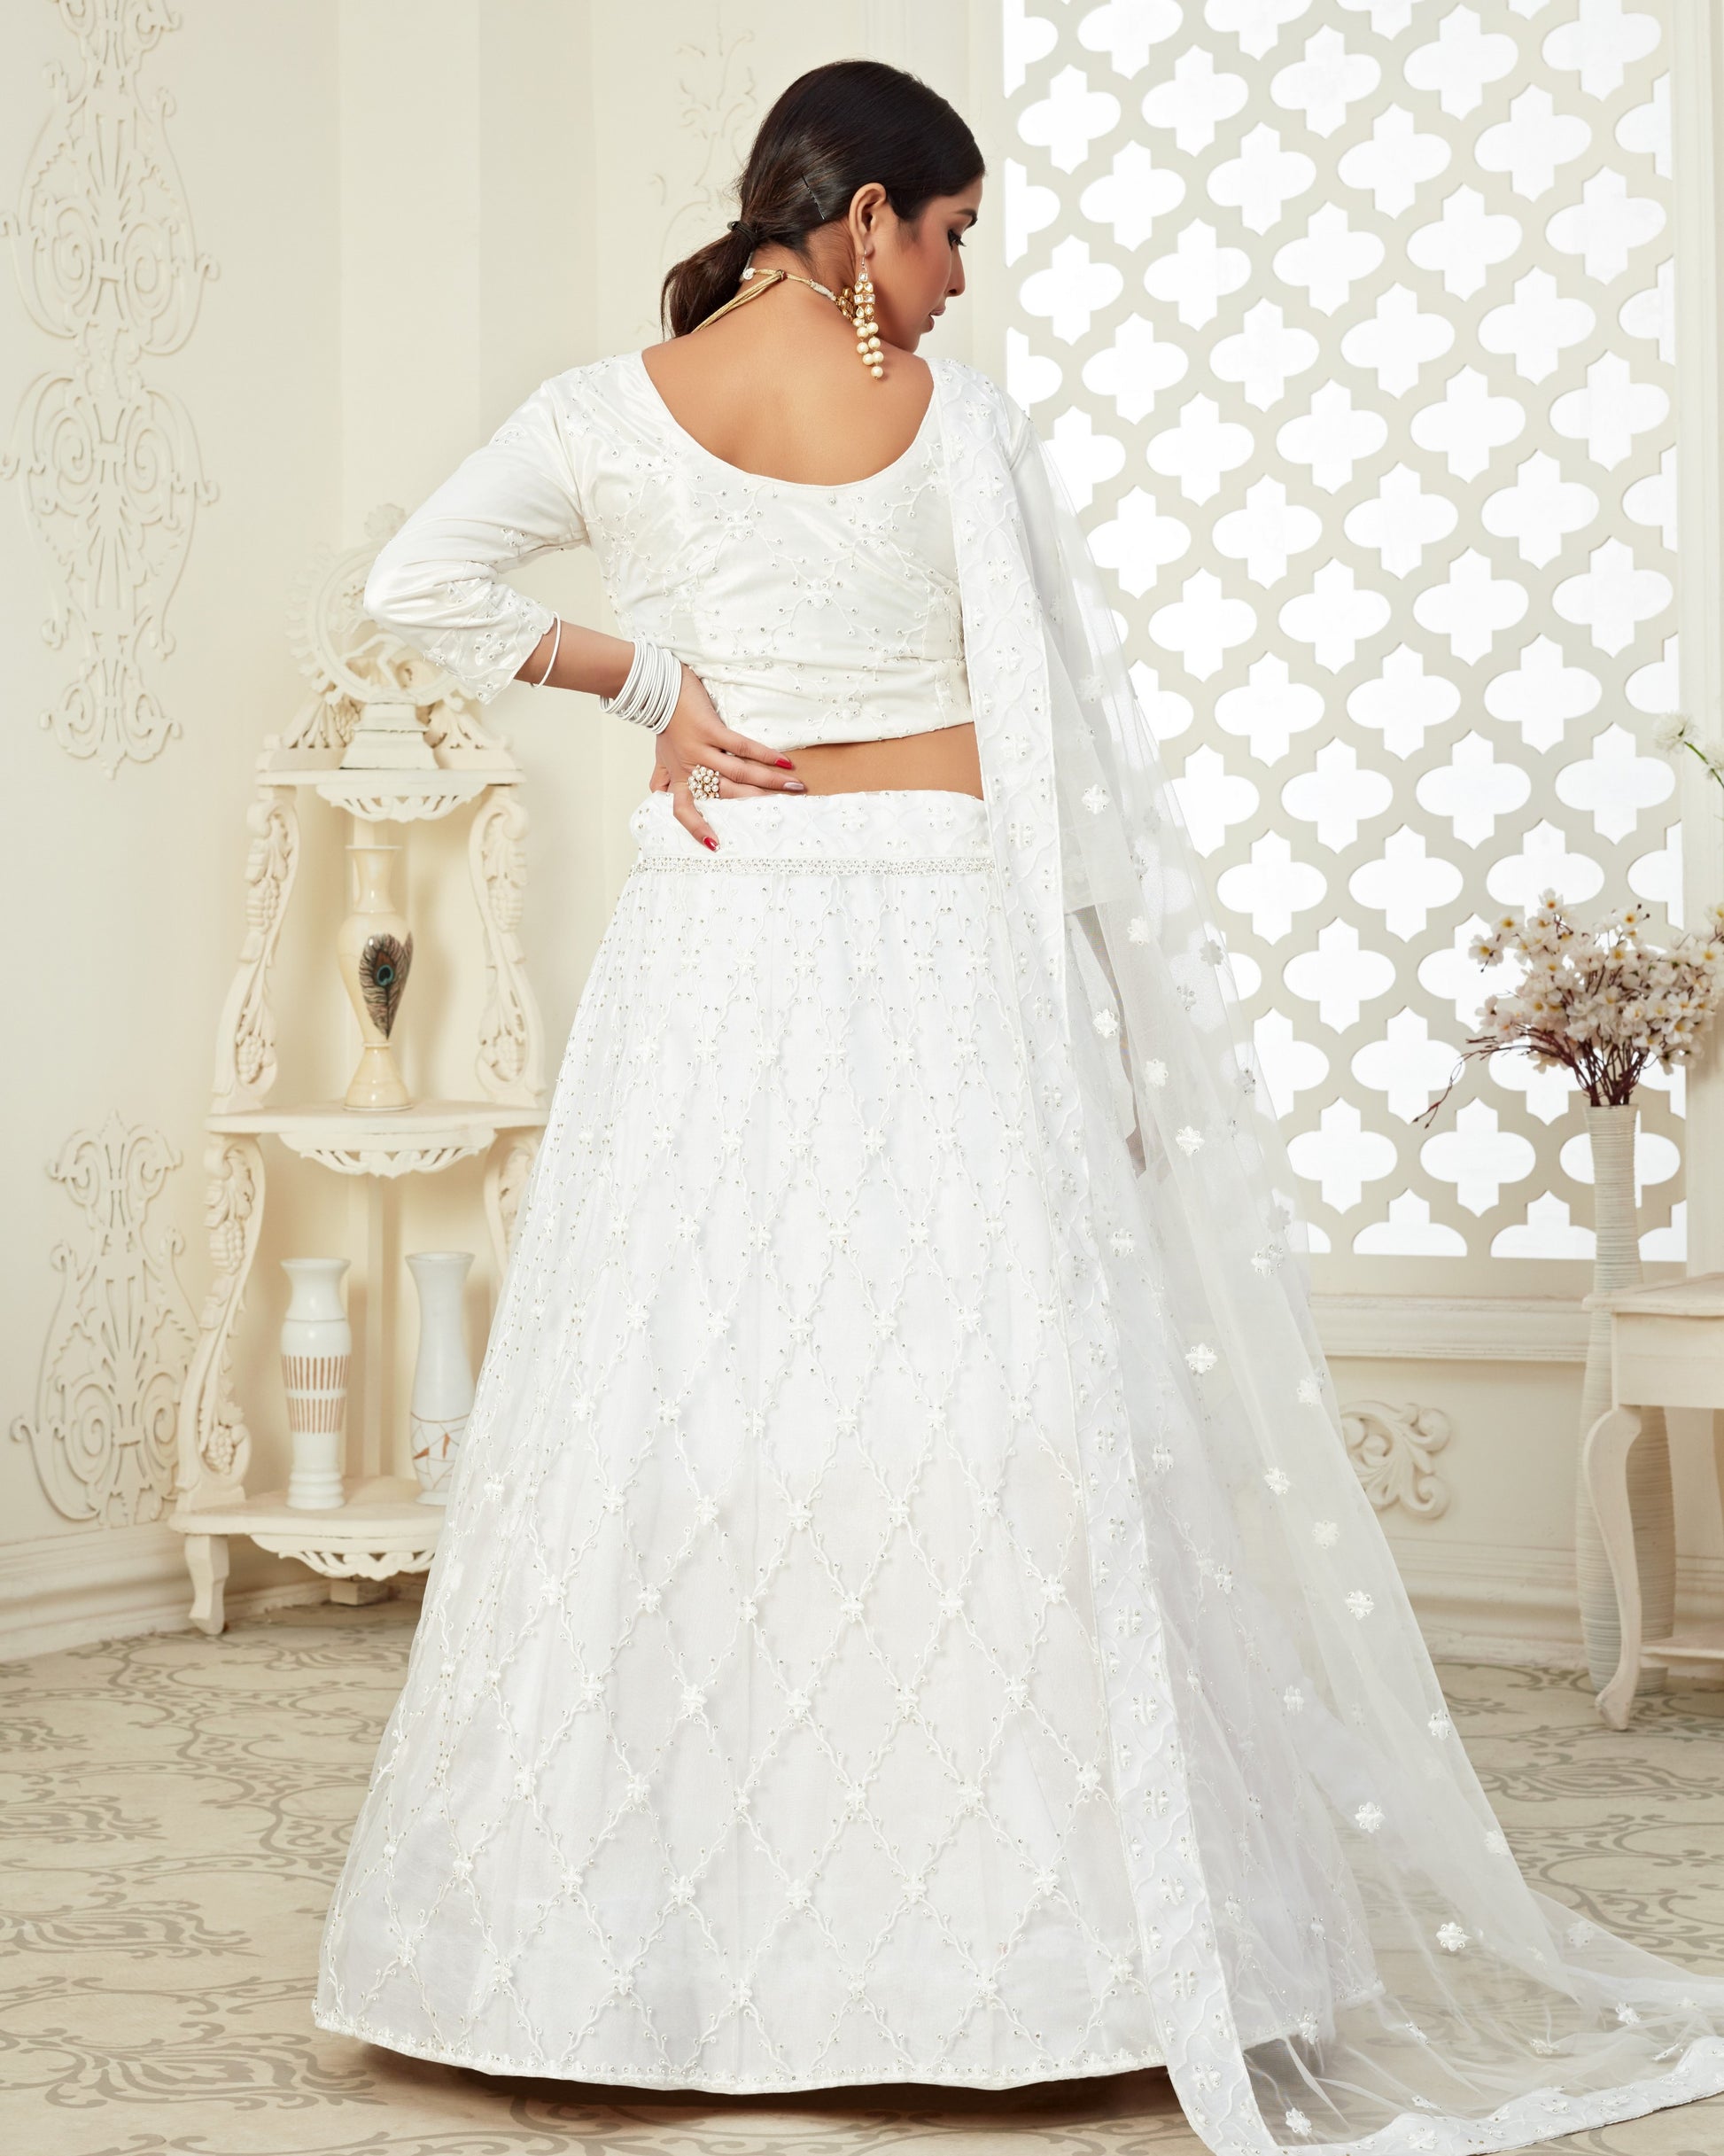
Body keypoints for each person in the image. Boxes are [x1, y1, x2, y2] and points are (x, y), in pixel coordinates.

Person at [314, 56, 1724, 2154]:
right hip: (928, 925)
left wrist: (652, 693)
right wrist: (1101, 1012)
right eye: (953, 231)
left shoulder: (612, 407)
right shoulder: (953, 424)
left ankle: (633, 1957)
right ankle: (1026, 1952)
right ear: (863, 218)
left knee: (703, 1382)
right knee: (969, 1388)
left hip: (720, 927)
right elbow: (1049, 743)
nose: (962, 279)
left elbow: (418, 579)